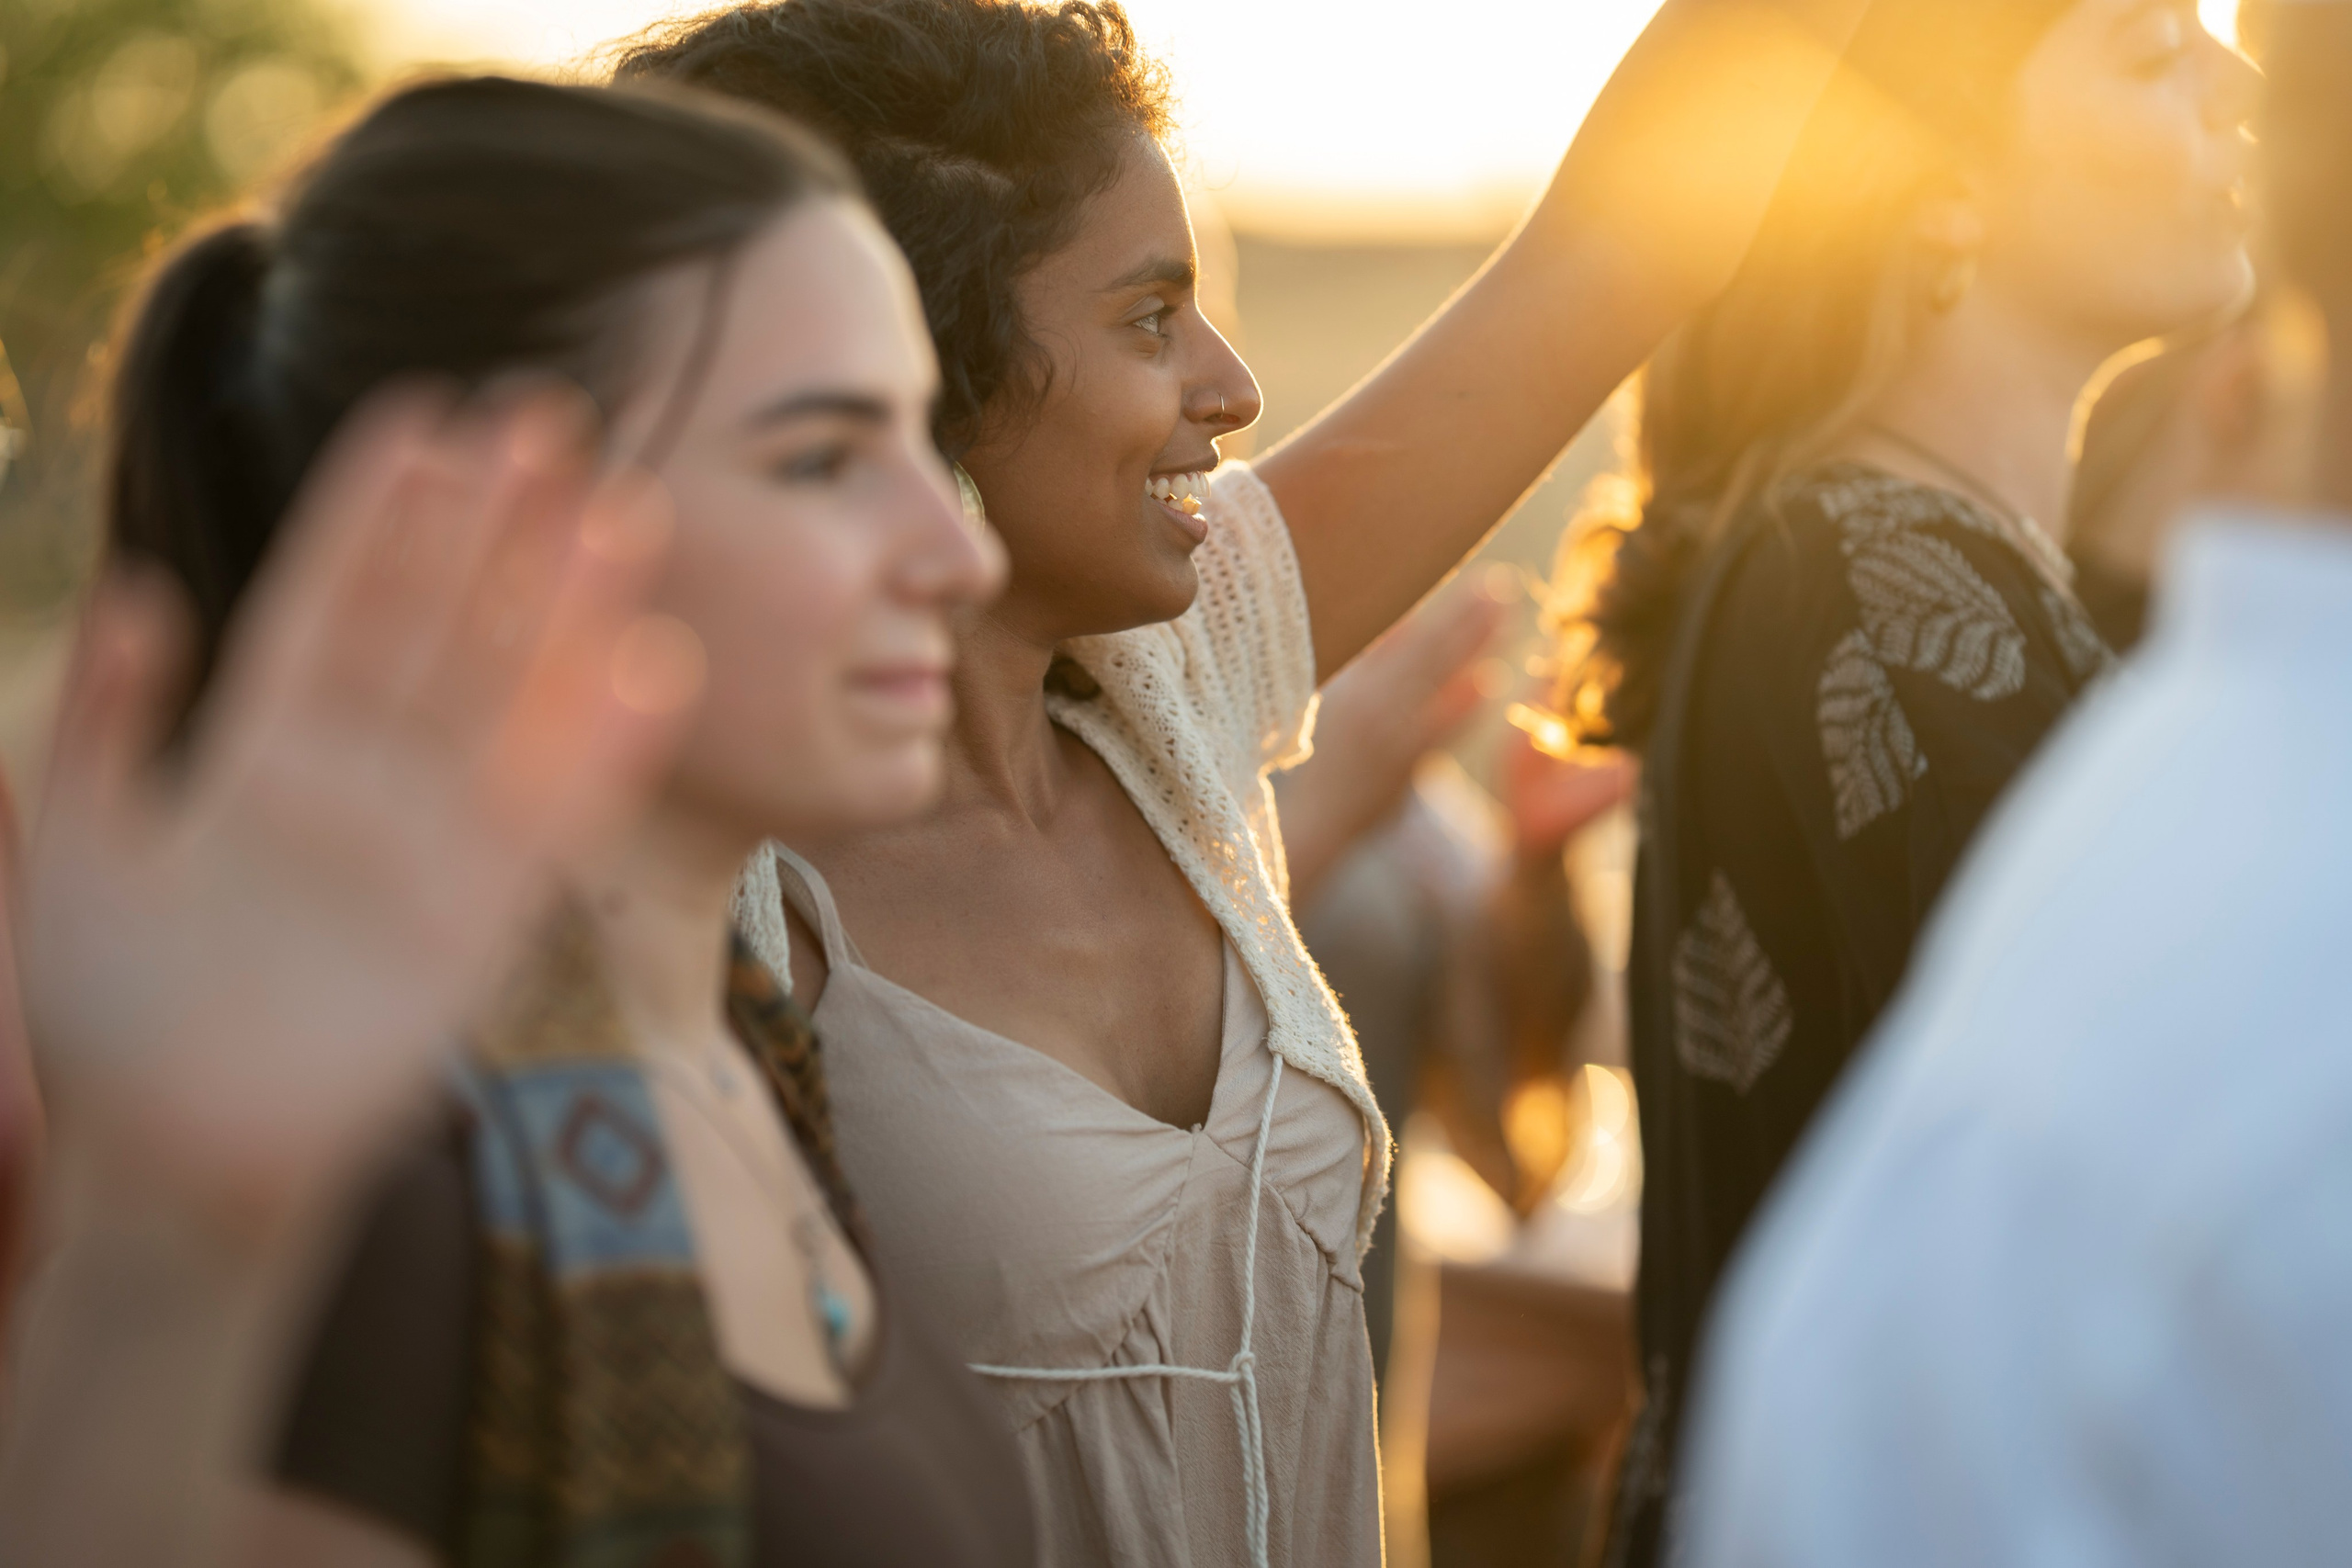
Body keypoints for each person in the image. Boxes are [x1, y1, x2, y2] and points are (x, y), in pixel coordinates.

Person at [619, 1, 1877, 1558]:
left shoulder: (1173, 693)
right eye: (1151, 320)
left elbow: (1615, 255)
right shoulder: (693, 887)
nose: (1233, 387)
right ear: (908, 378)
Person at [0, 74, 1025, 1568]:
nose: (956, 553)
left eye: (920, 441)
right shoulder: (394, 1201)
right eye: (819, 458)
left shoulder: (746, 1056)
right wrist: (171, 1250)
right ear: (493, 518)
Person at [1543, 3, 2256, 1555]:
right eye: (2154, 54)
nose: (2243, 84)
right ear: (1942, 177)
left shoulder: (1891, 558)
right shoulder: (1880, 587)